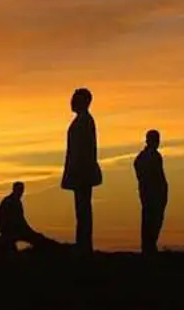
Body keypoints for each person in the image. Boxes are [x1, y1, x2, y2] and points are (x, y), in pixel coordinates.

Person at [61, 88, 102, 255]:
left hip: (82, 173)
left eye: (74, 99)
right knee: (82, 210)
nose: (71, 102)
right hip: (80, 172)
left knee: (83, 210)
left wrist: (79, 171)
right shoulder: (81, 120)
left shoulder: (85, 121)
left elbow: (85, 150)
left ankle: (84, 246)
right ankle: (83, 244)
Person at [0, 182, 58, 252]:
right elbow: (18, 220)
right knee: (38, 238)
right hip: (11, 230)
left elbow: (20, 220)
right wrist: (29, 231)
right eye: (19, 189)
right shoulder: (10, 202)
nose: (21, 192)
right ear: (14, 190)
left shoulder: (15, 202)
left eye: (22, 189)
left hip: (14, 229)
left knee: (37, 237)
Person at [134, 129, 168, 255]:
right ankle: (148, 247)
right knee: (151, 220)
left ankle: (149, 246)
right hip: (151, 194)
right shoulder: (146, 157)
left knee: (153, 220)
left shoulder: (151, 156)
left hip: (154, 193)